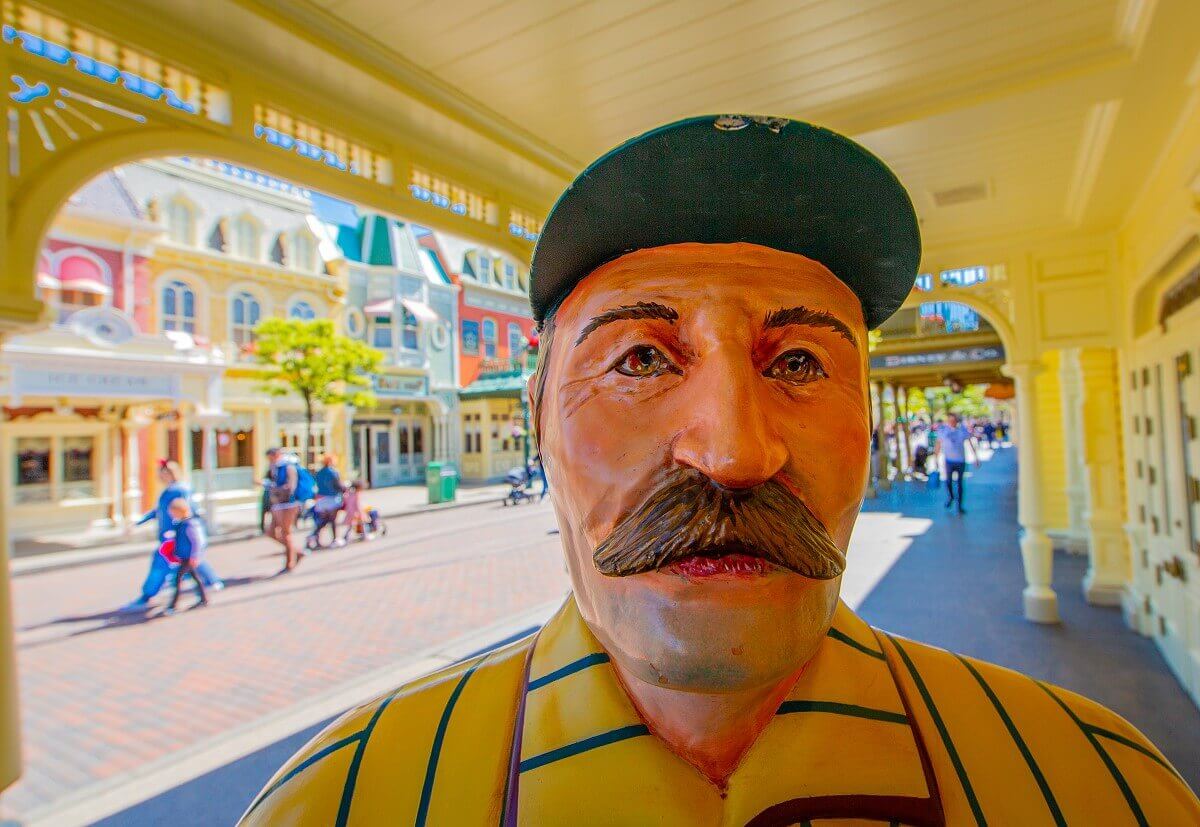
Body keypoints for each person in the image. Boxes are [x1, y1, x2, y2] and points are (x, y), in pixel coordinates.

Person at [244, 116, 1199, 824]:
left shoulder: (1102, 787)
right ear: (537, 422)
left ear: (865, 424)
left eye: (798, 365)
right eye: (640, 360)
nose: (735, 452)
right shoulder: (344, 798)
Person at [120, 459, 223, 612]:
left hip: (174, 537)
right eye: (162, 472)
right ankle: (210, 583)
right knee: (188, 566)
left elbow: (185, 510)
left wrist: (184, 531)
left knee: (164, 564)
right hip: (171, 537)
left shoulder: (178, 490)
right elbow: (158, 511)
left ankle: (148, 597)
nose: (164, 475)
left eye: (167, 472)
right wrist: (138, 522)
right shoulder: (170, 491)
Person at [162, 498, 209, 616]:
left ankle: (173, 605)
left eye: (173, 512)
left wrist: (195, 556)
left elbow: (196, 541)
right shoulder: (181, 524)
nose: (172, 515)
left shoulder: (189, 524)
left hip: (188, 557)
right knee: (195, 577)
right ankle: (204, 599)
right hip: (184, 556)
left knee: (177, 580)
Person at [265, 447, 304, 573]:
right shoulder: (274, 468)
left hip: (288, 504)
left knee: (285, 533)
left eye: (270, 457)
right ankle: (296, 552)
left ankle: (289, 563)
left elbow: (290, 487)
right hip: (277, 504)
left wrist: (273, 488)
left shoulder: (288, 467)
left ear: (276, 455)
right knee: (271, 532)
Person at [935, 412, 980, 514]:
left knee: (960, 484)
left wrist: (975, 458)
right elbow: (938, 445)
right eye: (950, 420)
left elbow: (970, 443)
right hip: (949, 461)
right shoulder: (943, 431)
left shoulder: (962, 430)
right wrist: (936, 458)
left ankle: (959, 506)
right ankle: (951, 497)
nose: (952, 422)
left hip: (960, 461)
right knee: (948, 482)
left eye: (954, 420)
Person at [307, 454, 345, 549]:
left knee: (323, 520)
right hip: (332, 498)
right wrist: (345, 489)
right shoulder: (333, 472)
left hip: (321, 499)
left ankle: (314, 536)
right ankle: (335, 539)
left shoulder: (319, 472)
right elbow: (337, 485)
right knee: (332, 520)